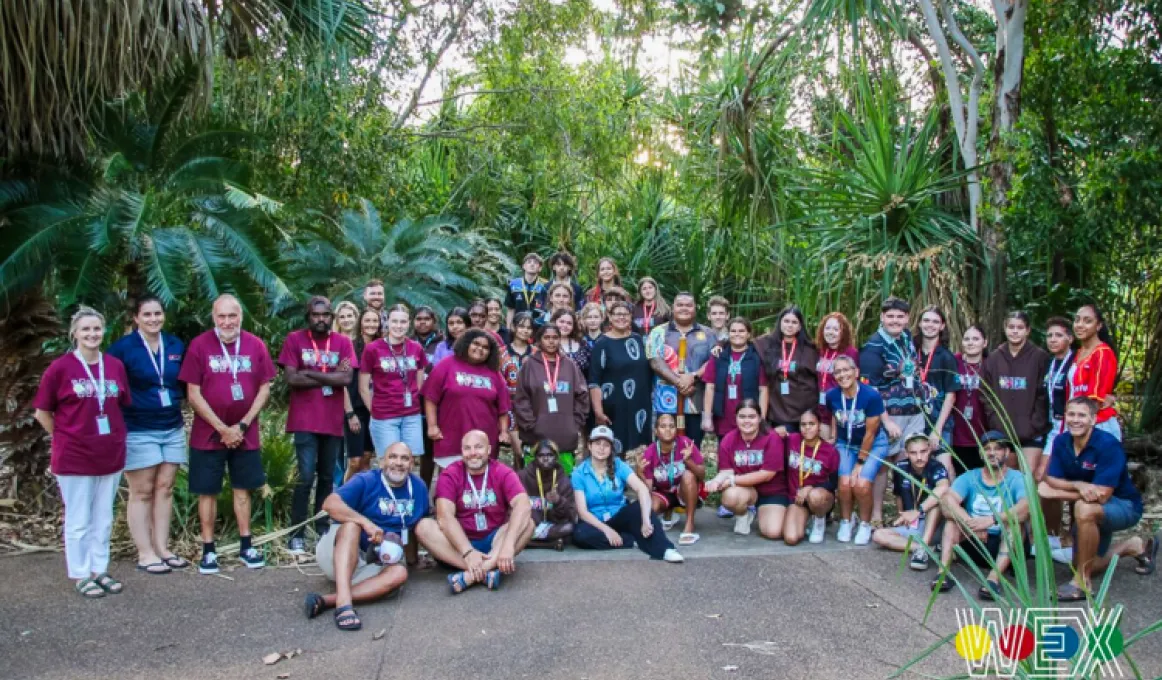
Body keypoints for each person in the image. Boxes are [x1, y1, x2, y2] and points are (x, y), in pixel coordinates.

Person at [34, 307, 132, 597]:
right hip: (75, 456)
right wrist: (65, 436)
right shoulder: (60, 368)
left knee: (103, 517)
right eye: (86, 329)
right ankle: (80, 573)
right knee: (79, 519)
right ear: (74, 333)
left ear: (104, 332)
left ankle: (99, 569)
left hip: (109, 453)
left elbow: (119, 403)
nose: (92, 334)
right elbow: (42, 412)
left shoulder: (114, 366)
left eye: (97, 329)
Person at [179, 294, 276, 574]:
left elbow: (265, 388)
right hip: (208, 434)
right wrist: (222, 428)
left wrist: (242, 426)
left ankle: (247, 545)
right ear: (213, 317)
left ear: (240, 317)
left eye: (232, 316)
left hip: (245, 432)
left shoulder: (255, 345)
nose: (227, 322)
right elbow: (192, 393)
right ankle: (208, 550)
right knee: (206, 491)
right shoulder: (199, 346)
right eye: (221, 316)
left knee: (242, 488)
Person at [1039, 398, 1154, 601]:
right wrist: (1078, 485)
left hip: (1123, 506)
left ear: (1093, 419)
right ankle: (1131, 546)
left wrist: (1057, 492)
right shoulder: (1062, 441)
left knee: (1084, 508)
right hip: (1091, 508)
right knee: (1083, 562)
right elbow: (1050, 477)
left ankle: (1082, 584)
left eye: (1082, 415)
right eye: (1071, 414)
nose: (1075, 420)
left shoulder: (1108, 445)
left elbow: (1102, 495)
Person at [305, 442, 429, 631]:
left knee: (399, 573)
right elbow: (329, 503)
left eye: (405, 458)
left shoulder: (418, 487)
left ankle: (326, 600)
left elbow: (410, 527)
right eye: (393, 457)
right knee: (351, 526)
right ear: (381, 462)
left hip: (374, 563)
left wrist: (412, 560)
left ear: (412, 464)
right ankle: (344, 605)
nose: (399, 463)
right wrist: (365, 523)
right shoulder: (366, 480)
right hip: (341, 552)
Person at [107, 296, 188, 573]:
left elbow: (185, 384)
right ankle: (145, 552)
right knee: (141, 490)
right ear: (136, 318)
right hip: (138, 428)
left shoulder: (175, 345)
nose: (154, 318)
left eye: (158, 313)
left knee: (165, 488)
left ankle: (162, 548)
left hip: (172, 426)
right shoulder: (123, 349)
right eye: (147, 314)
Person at [279, 296, 357, 555]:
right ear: (308, 316)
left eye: (325, 315)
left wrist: (310, 372)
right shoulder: (295, 339)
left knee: (326, 478)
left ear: (331, 318)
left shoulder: (343, 342)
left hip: (332, 421)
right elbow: (291, 378)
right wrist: (329, 376)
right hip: (304, 421)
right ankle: (297, 533)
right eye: (316, 315)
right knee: (304, 477)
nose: (321, 319)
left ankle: (322, 528)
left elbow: (346, 377)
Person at [418, 430, 534, 593]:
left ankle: (472, 575)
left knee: (528, 523)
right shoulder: (450, 474)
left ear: (488, 450)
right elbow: (444, 517)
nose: (473, 453)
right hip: (457, 546)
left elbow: (523, 504)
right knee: (423, 527)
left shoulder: (502, 471)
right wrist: (468, 552)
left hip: (495, 542)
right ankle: (487, 570)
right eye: (467, 448)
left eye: (478, 447)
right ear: (461, 451)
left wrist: (508, 546)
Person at [934, 431, 1029, 596]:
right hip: (975, 540)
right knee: (951, 521)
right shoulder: (970, 476)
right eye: (986, 448)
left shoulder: (1017, 478)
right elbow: (947, 502)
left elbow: (1025, 508)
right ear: (980, 453)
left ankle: (993, 579)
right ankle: (943, 572)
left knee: (1015, 525)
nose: (991, 452)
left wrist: (991, 520)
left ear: (1007, 452)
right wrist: (971, 524)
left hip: (1005, 545)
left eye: (997, 448)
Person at [860, 297, 926, 531]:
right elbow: (870, 389)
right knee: (883, 465)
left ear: (907, 318)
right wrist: (886, 421)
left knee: (906, 463)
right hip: (890, 413)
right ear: (882, 317)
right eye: (890, 316)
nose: (895, 320)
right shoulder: (874, 346)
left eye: (900, 316)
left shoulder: (907, 338)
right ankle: (876, 514)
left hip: (913, 409)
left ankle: (905, 513)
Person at [571, 426, 685, 562]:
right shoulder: (579, 473)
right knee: (580, 535)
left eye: (606, 445)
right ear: (589, 446)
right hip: (596, 522)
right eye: (597, 444)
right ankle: (630, 540)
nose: (601, 448)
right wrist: (607, 531)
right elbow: (583, 512)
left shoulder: (618, 465)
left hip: (619, 516)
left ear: (611, 449)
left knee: (641, 508)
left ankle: (666, 549)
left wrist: (646, 520)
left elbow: (641, 489)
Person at [421, 329, 512, 470]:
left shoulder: (494, 373)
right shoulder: (447, 364)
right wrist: (432, 426)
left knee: (480, 484)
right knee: (450, 483)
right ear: (466, 343)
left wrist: (504, 432)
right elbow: (430, 397)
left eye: (485, 347)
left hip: (484, 439)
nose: (480, 349)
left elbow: (503, 408)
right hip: (451, 436)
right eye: (476, 344)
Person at [825, 355, 890, 544]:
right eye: (838, 371)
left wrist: (860, 463)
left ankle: (865, 523)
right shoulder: (832, 395)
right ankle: (846, 521)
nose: (842, 374)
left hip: (873, 444)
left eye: (846, 370)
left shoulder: (871, 396)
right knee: (844, 483)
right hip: (846, 443)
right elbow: (835, 416)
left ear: (856, 372)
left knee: (861, 484)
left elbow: (870, 433)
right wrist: (835, 436)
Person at [980, 311, 1050, 479]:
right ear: (1005, 329)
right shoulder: (994, 358)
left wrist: (1035, 424)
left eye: (1020, 327)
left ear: (1027, 330)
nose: (1015, 331)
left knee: (1028, 477)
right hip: (1003, 430)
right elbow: (985, 393)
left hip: (1031, 432)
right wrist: (995, 421)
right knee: (1007, 479)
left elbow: (1044, 393)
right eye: (1011, 327)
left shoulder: (1040, 357)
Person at [360, 303, 428, 472]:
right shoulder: (373, 349)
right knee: (389, 463)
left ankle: (407, 498)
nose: (399, 326)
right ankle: (386, 498)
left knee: (409, 462)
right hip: (384, 416)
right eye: (395, 321)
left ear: (409, 323)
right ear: (387, 322)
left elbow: (419, 382)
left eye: (403, 322)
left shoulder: (416, 348)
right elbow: (362, 386)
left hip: (411, 415)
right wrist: (374, 410)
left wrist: (411, 399)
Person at [513, 324, 590, 474]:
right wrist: (531, 425)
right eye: (546, 337)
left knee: (563, 482)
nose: (551, 341)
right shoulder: (529, 365)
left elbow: (582, 395)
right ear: (539, 340)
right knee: (536, 482)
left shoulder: (570, 365)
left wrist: (575, 423)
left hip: (565, 434)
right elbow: (521, 398)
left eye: (555, 337)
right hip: (536, 434)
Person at [706, 400, 788, 539]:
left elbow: (767, 474)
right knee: (730, 497)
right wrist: (716, 481)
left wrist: (732, 480)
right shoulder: (729, 439)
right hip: (745, 489)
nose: (747, 421)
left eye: (752, 416)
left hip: (772, 491)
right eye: (742, 416)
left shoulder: (771, 437)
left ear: (760, 418)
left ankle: (766, 512)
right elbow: (726, 471)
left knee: (773, 532)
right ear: (736, 418)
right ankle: (744, 515)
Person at [646, 292, 715, 448]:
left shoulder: (709, 334)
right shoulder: (658, 332)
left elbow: (713, 361)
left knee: (692, 448)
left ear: (695, 309)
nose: (684, 308)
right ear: (673, 308)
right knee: (664, 448)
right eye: (680, 305)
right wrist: (679, 382)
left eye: (689, 305)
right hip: (666, 403)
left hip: (696, 402)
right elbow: (655, 361)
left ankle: (692, 473)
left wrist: (693, 376)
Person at [871, 434, 949, 570]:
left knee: (937, 501)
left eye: (923, 452)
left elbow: (943, 486)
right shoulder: (900, 468)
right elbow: (899, 495)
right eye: (913, 453)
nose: (919, 457)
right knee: (878, 536)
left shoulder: (936, 466)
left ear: (929, 450)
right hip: (914, 524)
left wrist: (919, 511)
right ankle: (927, 549)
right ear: (906, 453)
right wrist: (901, 515)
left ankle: (923, 550)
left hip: (933, 524)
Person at [588, 301, 654, 453]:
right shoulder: (602, 343)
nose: (621, 318)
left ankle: (639, 476)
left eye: (625, 314)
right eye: (617, 314)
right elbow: (594, 381)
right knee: (615, 450)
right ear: (609, 318)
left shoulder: (638, 339)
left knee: (641, 449)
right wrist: (598, 411)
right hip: (614, 407)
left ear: (631, 316)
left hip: (640, 405)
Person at [642, 414, 705, 545]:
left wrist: (688, 461)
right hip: (664, 492)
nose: (668, 430)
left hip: (684, 490)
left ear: (676, 430)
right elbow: (648, 488)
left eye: (671, 426)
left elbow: (702, 475)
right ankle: (668, 512)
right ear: (656, 431)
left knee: (688, 475)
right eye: (663, 426)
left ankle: (689, 524)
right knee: (651, 507)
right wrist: (639, 472)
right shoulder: (650, 452)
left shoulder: (686, 443)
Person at [755, 305, 819, 435]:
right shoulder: (767, 344)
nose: (790, 325)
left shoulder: (810, 349)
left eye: (794, 322)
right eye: (786, 321)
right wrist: (720, 344)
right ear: (780, 323)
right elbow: (739, 339)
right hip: (778, 413)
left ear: (800, 326)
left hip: (805, 414)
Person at [912, 305, 960, 476]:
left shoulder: (947, 357)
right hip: (914, 420)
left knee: (943, 465)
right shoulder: (910, 352)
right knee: (915, 467)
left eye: (935, 321)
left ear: (942, 326)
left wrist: (938, 429)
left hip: (939, 421)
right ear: (919, 323)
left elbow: (951, 395)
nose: (930, 325)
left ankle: (952, 502)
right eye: (926, 320)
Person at [702, 317, 768, 439]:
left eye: (741, 331)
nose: (737, 334)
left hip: (749, 419)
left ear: (748, 334)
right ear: (728, 334)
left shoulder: (757, 358)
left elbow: (763, 390)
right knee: (726, 452)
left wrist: (762, 419)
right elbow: (710, 387)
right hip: (723, 418)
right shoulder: (718, 356)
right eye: (733, 331)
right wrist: (707, 417)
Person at [784, 411, 840, 546]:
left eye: (811, 424)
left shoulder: (830, 451)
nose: (807, 428)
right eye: (803, 424)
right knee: (791, 538)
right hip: (797, 499)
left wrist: (810, 488)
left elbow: (833, 483)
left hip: (820, 497)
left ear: (819, 426)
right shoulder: (791, 440)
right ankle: (806, 521)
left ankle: (820, 520)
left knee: (815, 496)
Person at [339, 307, 379, 481]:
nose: (371, 324)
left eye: (375, 321)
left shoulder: (383, 347)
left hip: (377, 409)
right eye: (367, 320)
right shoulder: (350, 346)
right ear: (360, 323)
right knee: (354, 461)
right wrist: (349, 413)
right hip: (355, 409)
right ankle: (341, 498)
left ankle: (361, 502)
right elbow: (342, 383)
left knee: (366, 459)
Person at [1070, 303, 1121, 440]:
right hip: (1078, 424)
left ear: (1098, 326)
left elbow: (1096, 400)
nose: (1080, 325)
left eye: (1087, 321)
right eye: (1077, 319)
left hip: (1098, 426)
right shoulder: (1079, 353)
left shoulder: (1103, 353)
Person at [516, 440, 577, 549]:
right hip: (528, 525)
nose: (545, 458)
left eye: (550, 455)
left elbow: (570, 513)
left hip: (551, 525)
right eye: (541, 455)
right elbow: (514, 507)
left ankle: (529, 542)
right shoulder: (523, 476)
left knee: (569, 528)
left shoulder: (563, 479)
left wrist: (558, 501)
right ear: (535, 458)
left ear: (556, 458)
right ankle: (549, 544)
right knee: (512, 529)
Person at [814, 312, 859, 441]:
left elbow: (853, 383)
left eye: (835, 329)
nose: (830, 332)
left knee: (836, 446)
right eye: (827, 328)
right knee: (825, 448)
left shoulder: (850, 352)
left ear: (842, 332)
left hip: (839, 409)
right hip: (821, 409)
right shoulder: (821, 350)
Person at [950, 324, 988, 474]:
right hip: (957, 431)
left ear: (984, 343)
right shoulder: (953, 361)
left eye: (975, 339)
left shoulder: (991, 364)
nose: (970, 342)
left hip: (983, 432)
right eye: (967, 339)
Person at [1043, 317, 1075, 460]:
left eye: (1059, 335)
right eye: (1049, 336)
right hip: (1053, 425)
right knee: (1041, 473)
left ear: (1070, 338)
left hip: (1073, 424)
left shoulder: (1077, 360)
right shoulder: (1048, 363)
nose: (1053, 340)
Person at [506, 253, 548, 327]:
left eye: (535, 262)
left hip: (537, 327)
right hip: (518, 326)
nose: (532, 264)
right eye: (529, 262)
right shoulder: (513, 284)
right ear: (523, 266)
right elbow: (510, 309)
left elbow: (548, 310)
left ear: (540, 268)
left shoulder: (545, 285)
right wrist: (508, 328)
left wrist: (546, 327)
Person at [553, 308, 590, 376]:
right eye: (562, 322)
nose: (565, 325)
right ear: (554, 322)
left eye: (569, 323)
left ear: (573, 326)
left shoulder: (582, 344)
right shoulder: (546, 344)